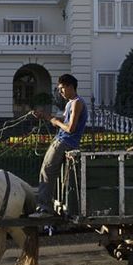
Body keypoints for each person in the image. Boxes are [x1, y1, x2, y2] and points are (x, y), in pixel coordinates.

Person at [28, 74, 88, 218]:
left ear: (69, 86)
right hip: (63, 141)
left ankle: (44, 209)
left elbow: (70, 128)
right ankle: (46, 205)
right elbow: (65, 120)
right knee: (48, 172)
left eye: (62, 89)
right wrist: (47, 117)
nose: (60, 92)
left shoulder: (76, 103)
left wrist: (56, 122)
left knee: (47, 172)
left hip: (65, 142)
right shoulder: (71, 103)